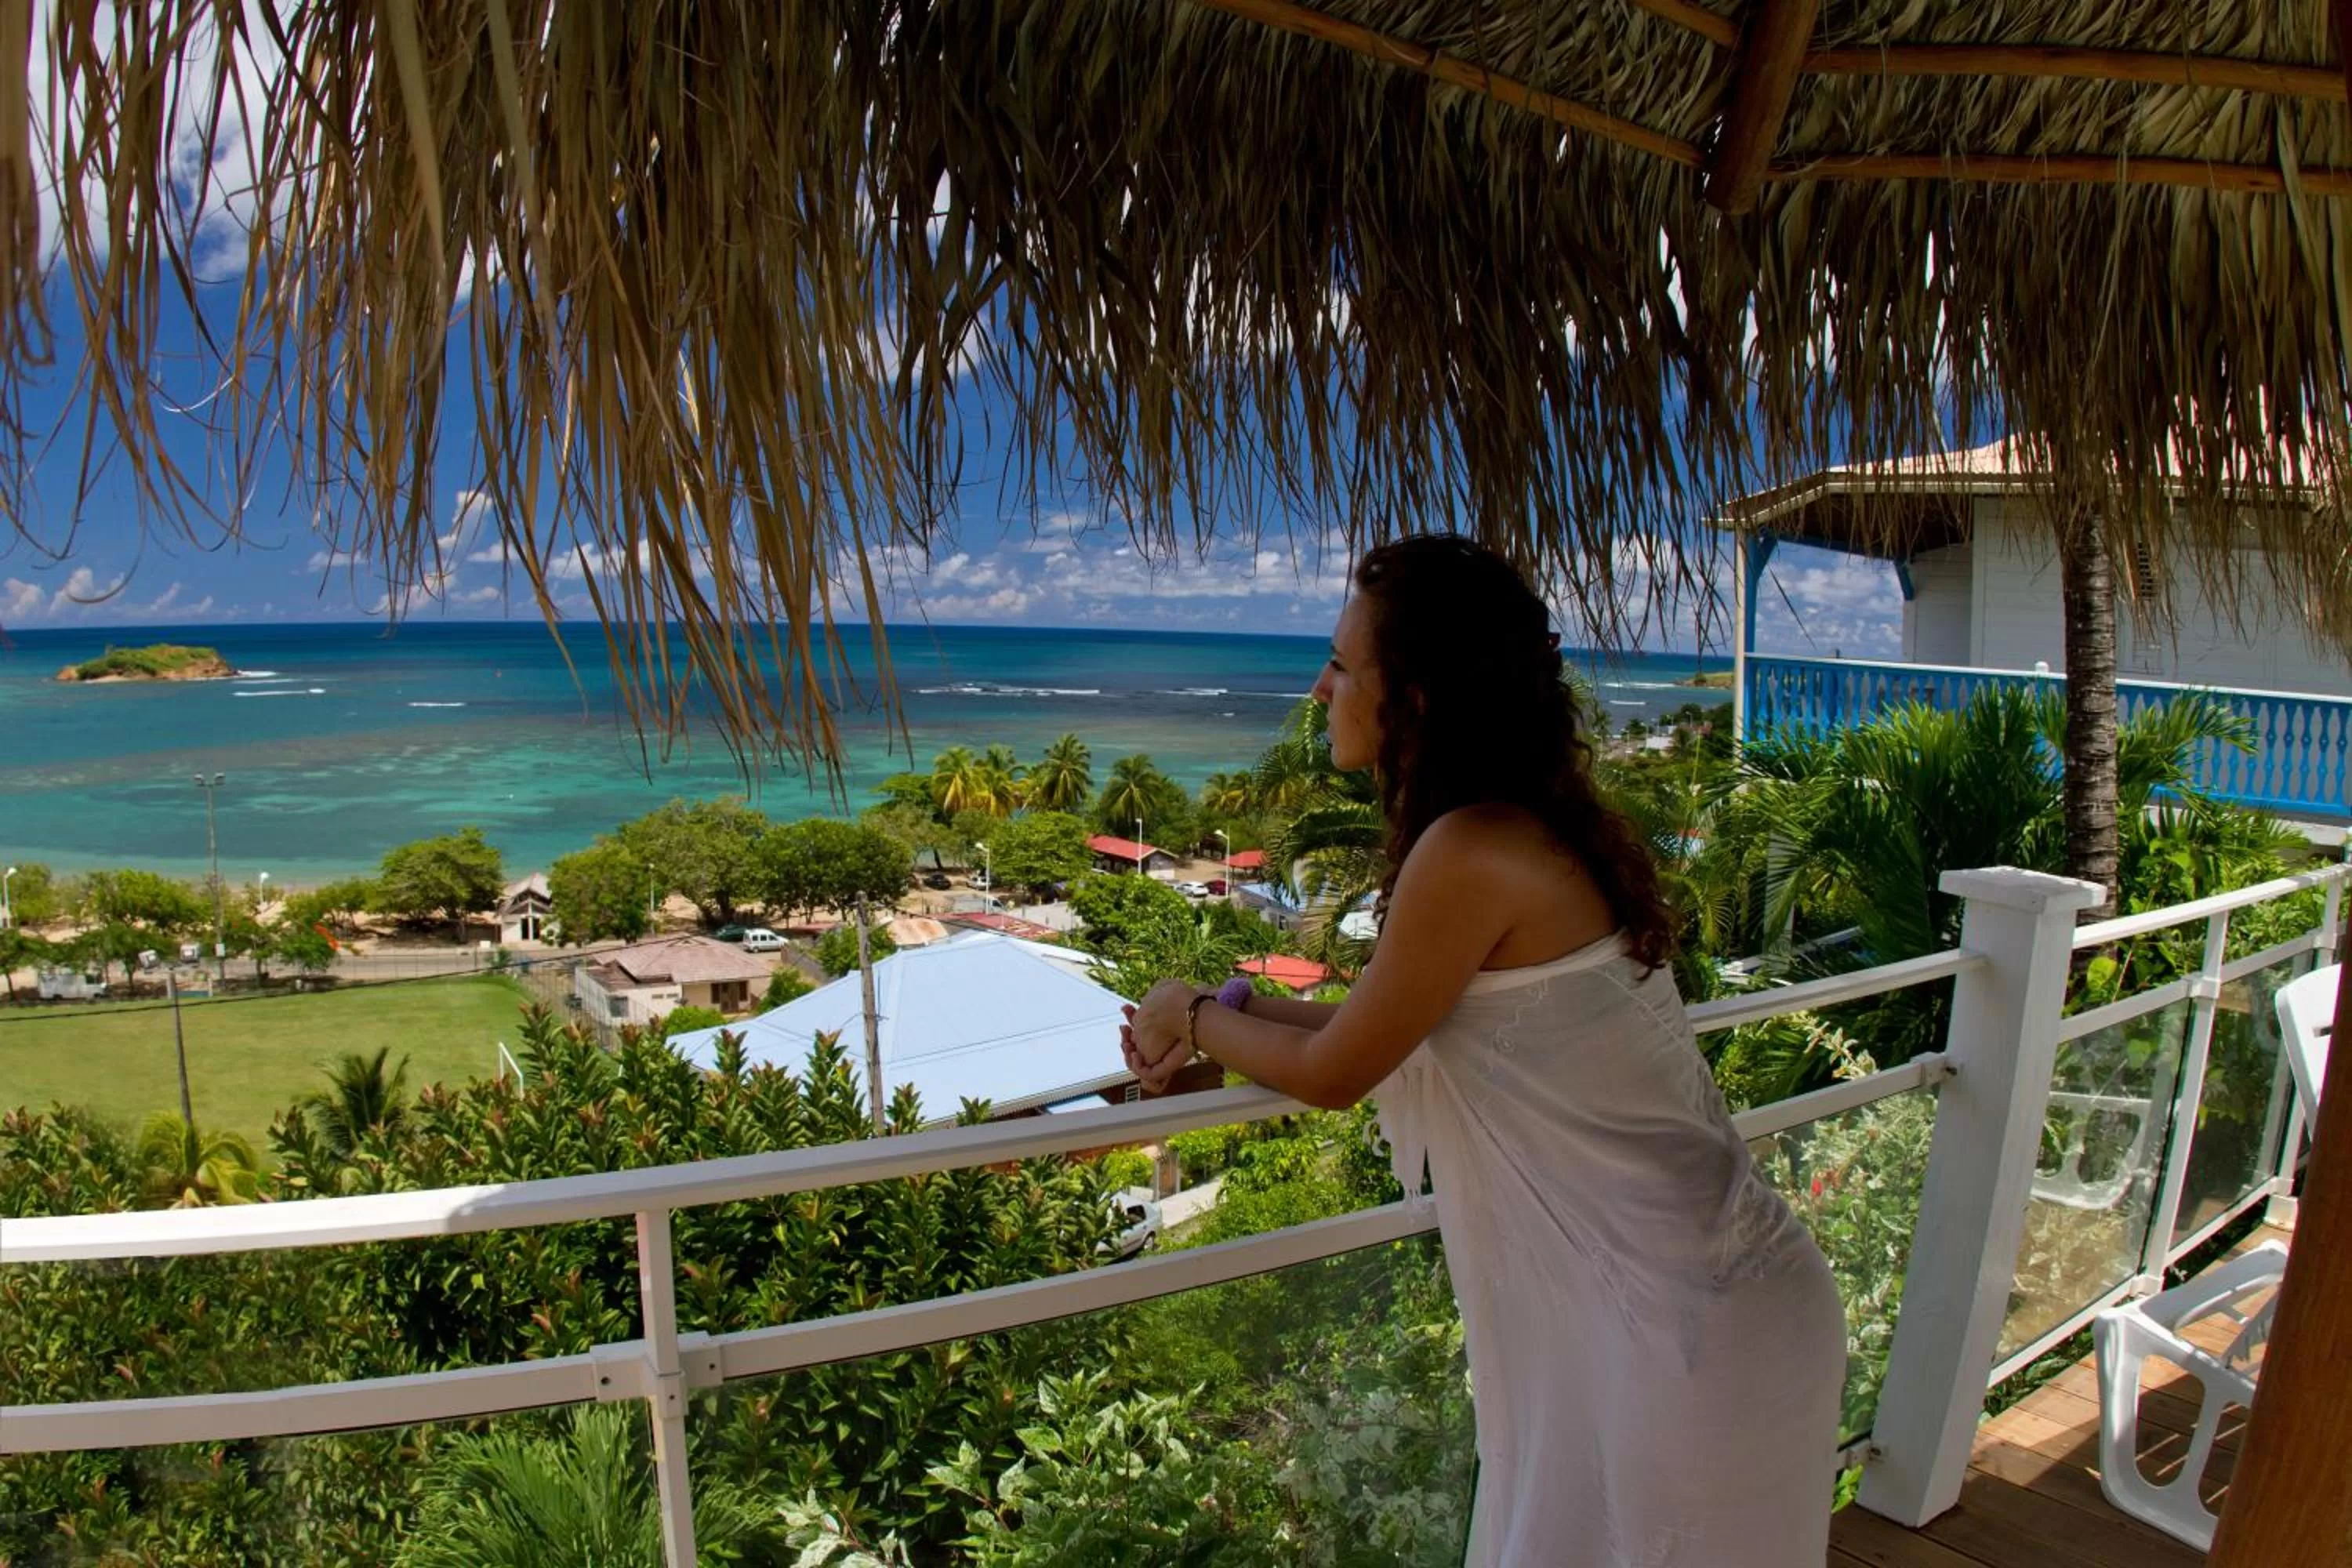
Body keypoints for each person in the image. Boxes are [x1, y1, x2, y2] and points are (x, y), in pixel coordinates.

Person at [1121, 535, 1846, 1566]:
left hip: (1683, 1334)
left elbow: (1340, 1072)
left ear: (1415, 698)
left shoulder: (1468, 851)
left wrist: (1188, 1014)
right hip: (1699, 1307)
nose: (1320, 689)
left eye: (1341, 666)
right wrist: (1214, 1008)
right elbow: (1383, 1027)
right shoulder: (1525, 826)